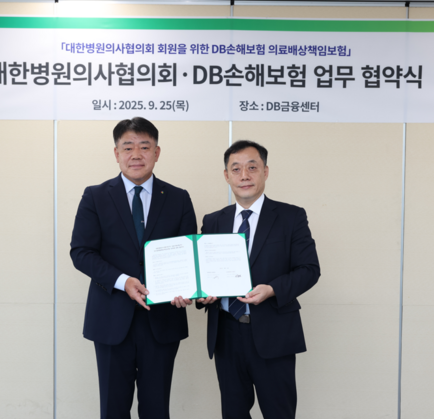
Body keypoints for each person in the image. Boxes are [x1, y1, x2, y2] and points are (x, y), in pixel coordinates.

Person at [70, 117, 197, 419]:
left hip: (162, 319)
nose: (136, 154)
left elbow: (188, 255)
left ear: (157, 152)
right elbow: (81, 252)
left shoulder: (178, 198)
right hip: (111, 318)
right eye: (128, 147)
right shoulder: (95, 196)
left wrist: (187, 289)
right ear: (116, 153)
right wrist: (123, 280)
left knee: (156, 409)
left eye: (144, 147)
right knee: (113, 410)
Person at [197, 140, 320, 419]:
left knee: (279, 413)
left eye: (252, 167)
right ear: (226, 175)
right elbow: (203, 273)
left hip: (273, 332)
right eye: (236, 169)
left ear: (265, 171)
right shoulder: (213, 221)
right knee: (233, 413)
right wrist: (201, 294)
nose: (244, 175)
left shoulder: (291, 216)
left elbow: (309, 269)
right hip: (226, 334)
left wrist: (272, 289)